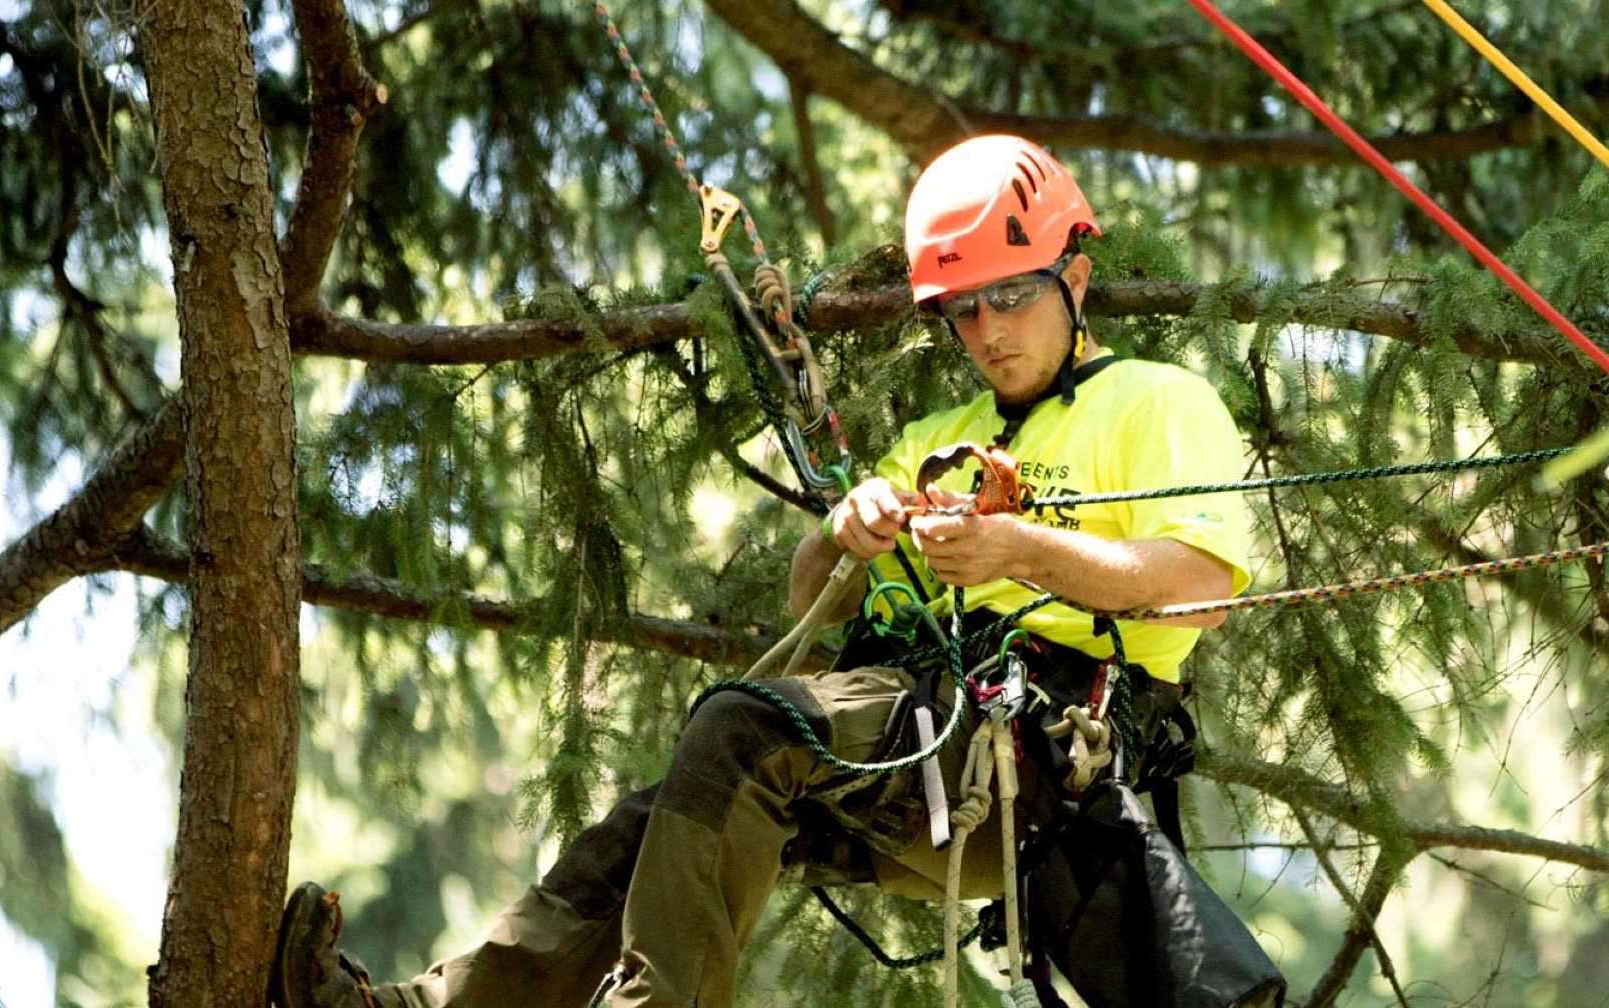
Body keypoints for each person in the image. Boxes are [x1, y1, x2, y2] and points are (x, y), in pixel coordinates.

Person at [269, 135, 1265, 1008]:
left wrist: (1020, 549)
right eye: (964, 311)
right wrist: (845, 532)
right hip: (907, 734)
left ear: (1074, 282)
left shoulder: (1154, 403)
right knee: (667, 817)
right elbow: (815, 611)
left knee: (743, 726)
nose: (990, 331)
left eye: (1011, 296)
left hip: (1030, 761)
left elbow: (1202, 586)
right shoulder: (939, 435)